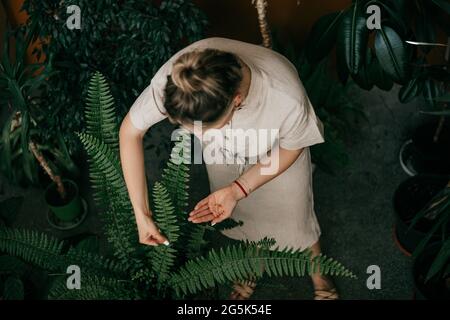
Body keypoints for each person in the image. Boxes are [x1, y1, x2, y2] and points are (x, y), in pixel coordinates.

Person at [119, 37, 338, 300]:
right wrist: (141, 214)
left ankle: (319, 273)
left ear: (236, 101)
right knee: (244, 217)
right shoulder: (177, 81)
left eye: (205, 128)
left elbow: (293, 147)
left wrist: (240, 187)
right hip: (223, 158)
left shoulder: (286, 97)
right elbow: (130, 131)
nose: (194, 135)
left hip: (277, 160)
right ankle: (254, 260)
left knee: (295, 219)